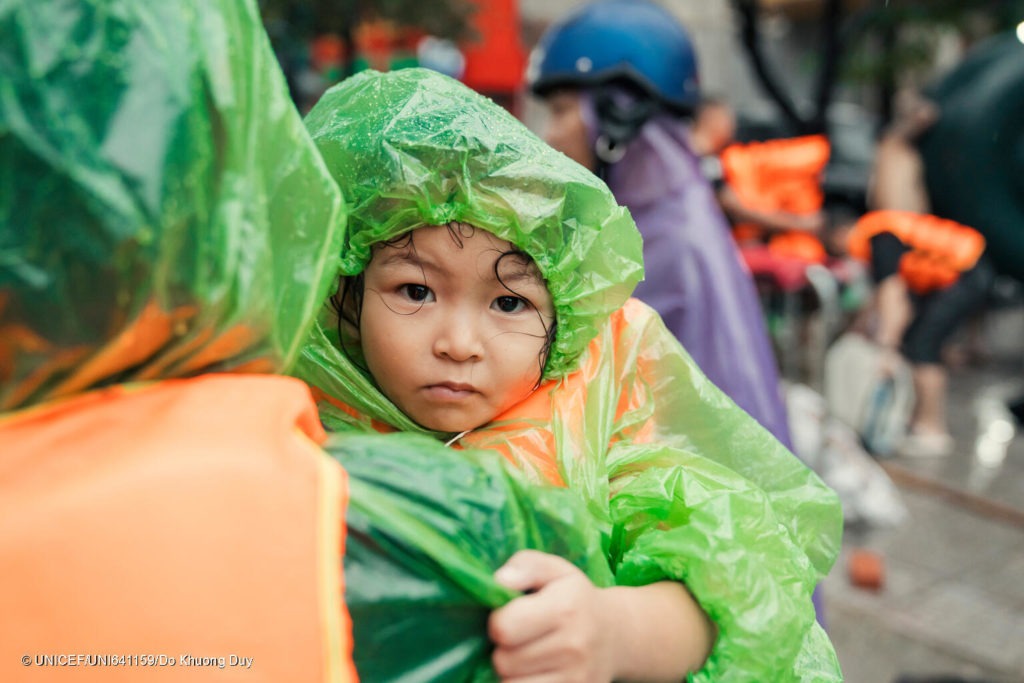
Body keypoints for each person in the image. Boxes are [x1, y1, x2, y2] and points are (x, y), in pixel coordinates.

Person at [294, 67, 843, 681]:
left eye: (508, 304)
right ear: (346, 292)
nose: (458, 343)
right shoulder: (302, 419)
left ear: (564, 313)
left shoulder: (594, 425)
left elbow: (726, 585)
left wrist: (613, 632)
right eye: (416, 290)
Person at [525, 0, 796, 451]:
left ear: (618, 117)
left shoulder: (667, 239)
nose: (551, 133)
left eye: (561, 109)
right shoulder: (651, 215)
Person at [848, 94, 995, 457]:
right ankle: (918, 422)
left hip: (967, 274)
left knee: (922, 347)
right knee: (918, 340)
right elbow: (892, 297)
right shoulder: (896, 222)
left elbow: (893, 297)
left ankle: (932, 430)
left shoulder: (882, 234)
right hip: (968, 269)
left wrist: (886, 347)